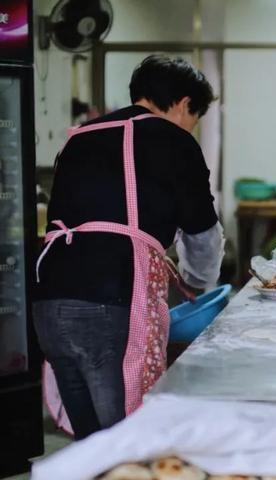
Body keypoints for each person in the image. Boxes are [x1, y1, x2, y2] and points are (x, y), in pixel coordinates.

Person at [33, 55, 224, 439]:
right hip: (110, 299)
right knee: (123, 436)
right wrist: (198, 283)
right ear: (185, 104)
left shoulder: (80, 136)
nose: (191, 126)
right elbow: (201, 232)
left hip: (49, 297)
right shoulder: (174, 140)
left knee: (89, 439)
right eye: (194, 116)